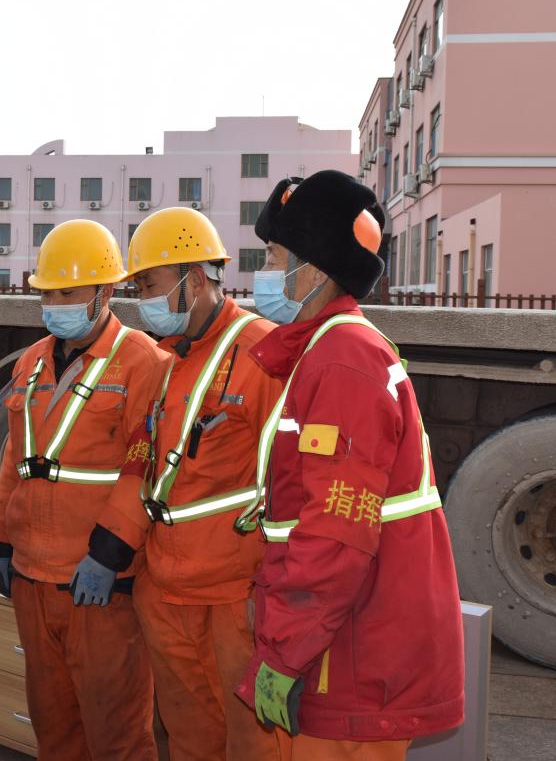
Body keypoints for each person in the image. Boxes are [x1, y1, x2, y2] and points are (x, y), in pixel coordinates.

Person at [235, 170, 464, 761]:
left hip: (352, 650)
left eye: (273, 256)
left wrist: (284, 651)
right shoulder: (330, 350)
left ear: (311, 270)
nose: (263, 272)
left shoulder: (341, 363)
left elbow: (334, 533)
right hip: (348, 633)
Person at [0, 218, 166, 761]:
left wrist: (109, 555)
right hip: (32, 577)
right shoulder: (32, 361)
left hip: (100, 583)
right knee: (54, 726)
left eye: (68, 294)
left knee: (117, 732)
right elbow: (15, 458)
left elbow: (147, 468)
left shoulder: (143, 361)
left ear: (106, 293)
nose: (54, 305)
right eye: (48, 294)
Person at [125, 207, 283, 761]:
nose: (142, 299)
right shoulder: (167, 358)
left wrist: (275, 594)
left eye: (149, 284)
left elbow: (292, 482)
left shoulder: (263, 353)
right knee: (190, 737)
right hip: (167, 590)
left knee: (254, 744)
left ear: (193, 279)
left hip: (233, 598)